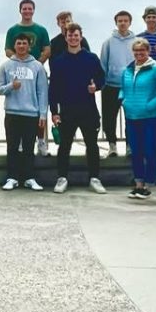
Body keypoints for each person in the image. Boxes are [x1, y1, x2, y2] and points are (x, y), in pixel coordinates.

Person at [49, 24, 107, 193]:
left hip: (88, 109)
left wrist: (95, 87)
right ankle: (62, 178)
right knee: (64, 145)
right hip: (67, 110)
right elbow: (53, 90)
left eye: (76, 35)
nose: (73, 38)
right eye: (70, 35)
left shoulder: (91, 58)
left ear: (81, 37)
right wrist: (54, 112)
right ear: (65, 37)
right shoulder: (58, 61)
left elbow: (102, 80)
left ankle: (95, 178)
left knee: (92, 145)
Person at [0, 34, 48, 191]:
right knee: (12, 147)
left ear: (29, 46)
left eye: (24, 43)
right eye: (18, 43)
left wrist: (43, 114)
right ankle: (12, 177)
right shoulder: (6, 66)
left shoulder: (37, 66)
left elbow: (42, 91)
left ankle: (29, 178)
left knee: (28, 148)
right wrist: (11, 86)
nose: (21, 46)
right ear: (14, 46)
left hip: (31, 114)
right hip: (12, 113)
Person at [121, 39, 156, 199]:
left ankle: (148, 184)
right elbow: (123, 88)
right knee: (136, 152)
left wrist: (151, 105)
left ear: (148, 51)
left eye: (142, 51)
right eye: (136, 51)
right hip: (132, 117)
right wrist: (123, 101)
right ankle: (138, 184)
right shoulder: (127, 70)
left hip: (151, 117)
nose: (139, 54)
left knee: (149, 150)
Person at [5, 0, 52, 158]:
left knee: (39, 108)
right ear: (20, 10)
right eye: (24, 9)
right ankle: (18, 141)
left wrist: (35, 64)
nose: (27, 11)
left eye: (29, 9)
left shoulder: (41, 30)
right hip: (18, 72)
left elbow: (47, 50)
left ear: (33, 10)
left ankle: (41, 142)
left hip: (37, 71)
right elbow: (8, 50)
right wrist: (21, 61)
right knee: (19, 105)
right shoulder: (13, 30)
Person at [99, 11, 135, 156]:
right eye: (120, 21)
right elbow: (103, 64)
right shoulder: (108, 42)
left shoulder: (136, 41)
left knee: (131, 118)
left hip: (131, 87)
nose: (122, 23)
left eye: (125, 20)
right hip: (111, 86)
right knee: (109, 118)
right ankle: (112, 146)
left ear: (130, 22)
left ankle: (129, 146)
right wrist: (103, 83)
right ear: (116, 23)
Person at [137, 6, 156, 159]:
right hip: (144, 84)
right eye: (148, 17)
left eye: (154, 17)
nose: (151, 20)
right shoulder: (139, 38)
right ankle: (144, 149)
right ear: (144, 19)